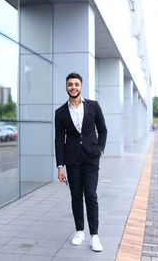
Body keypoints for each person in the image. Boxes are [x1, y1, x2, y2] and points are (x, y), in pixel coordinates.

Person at [55, 72, 107, 252]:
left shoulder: (93, 106)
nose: (73, 87)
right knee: (76, 195)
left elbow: (103, 130)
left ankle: (94, 235)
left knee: (91, 194)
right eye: (70, 84)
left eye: (76, 84)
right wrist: (60, 165)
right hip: (72, 159)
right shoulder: (60, 112)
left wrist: (99, 149)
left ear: (81, 86)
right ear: (66, 87)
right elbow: (59, 139)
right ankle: (79, 230)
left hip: (91, 157)